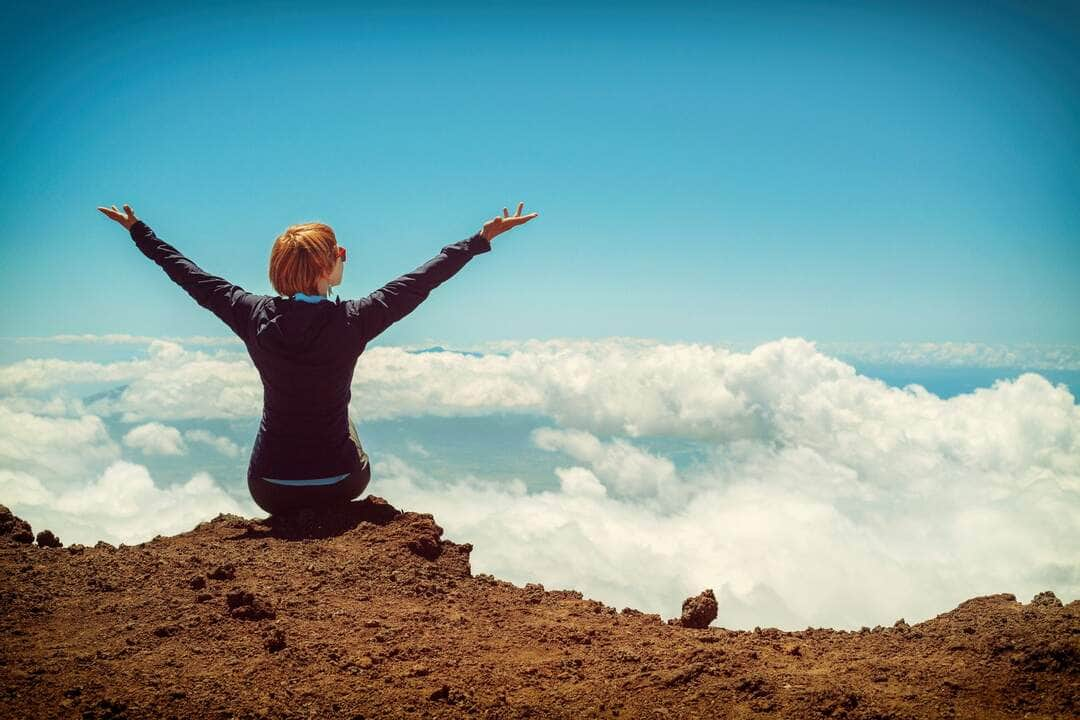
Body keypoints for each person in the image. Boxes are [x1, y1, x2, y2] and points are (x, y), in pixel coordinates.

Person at [96, 201, 540, 517]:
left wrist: (140, 231)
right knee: (342, 416)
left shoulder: (248, 313)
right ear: (326, 267)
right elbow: (422, 280)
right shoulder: (358, 319)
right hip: (341, 483)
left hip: (269, 489)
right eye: (339, 253)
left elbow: (186, 272)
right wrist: (480, 239)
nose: (344, 258)